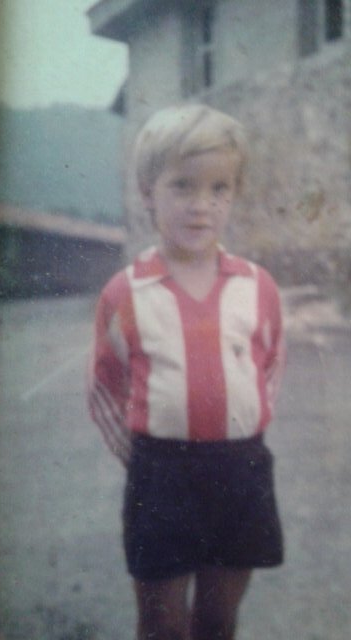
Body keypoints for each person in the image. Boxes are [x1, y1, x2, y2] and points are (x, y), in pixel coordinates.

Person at [88, 104, 285, 640]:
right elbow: (108, 386)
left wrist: (233, 423)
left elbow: (268, 366)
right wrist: (152, 458)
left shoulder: (257, 287)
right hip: (162, 474)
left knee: (219, 619)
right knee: (161, 623)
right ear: (148, 191)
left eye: (219, 189)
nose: (202, 207)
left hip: (240, 470)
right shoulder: (125, 293)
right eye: (183, 187)